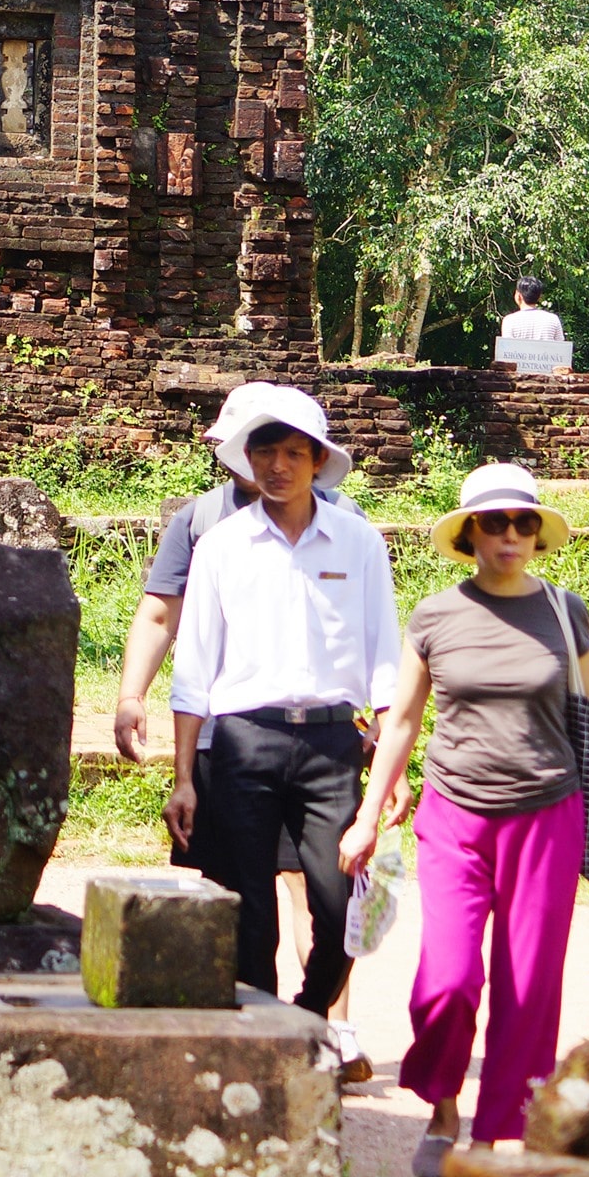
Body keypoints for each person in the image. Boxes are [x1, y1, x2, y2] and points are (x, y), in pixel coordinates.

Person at [340, 462, 589, 1177]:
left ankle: (495, 1135)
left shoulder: (566, 611)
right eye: (494, 522)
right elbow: (401, 722)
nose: (509, 535)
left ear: (538, 533)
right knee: (450, 977)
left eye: (522, 522)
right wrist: (370, 813)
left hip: (547, 816)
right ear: (469, 533)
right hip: (456, 813)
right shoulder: (436, 615)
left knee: (529, 985)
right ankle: (440, 1107)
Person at [116, 381, 397, 1078]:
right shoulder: (220, 542)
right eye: (264, 451)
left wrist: (389, 771)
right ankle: (266, 1054)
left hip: (333, 742)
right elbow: (195, 666)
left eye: (292, 453)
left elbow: (387, 660)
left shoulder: (357, 541)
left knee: (337, 908)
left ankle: (308, 1019)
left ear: (317, 460)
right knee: (248, 916)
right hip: (242, 742)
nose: (277, 466)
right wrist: (184, 777)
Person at [500, 276, 564, 343]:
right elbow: (561, 349)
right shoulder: (553, 319)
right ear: (539, 297)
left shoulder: (509, 321)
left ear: (518, 296)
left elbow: (507, 349)